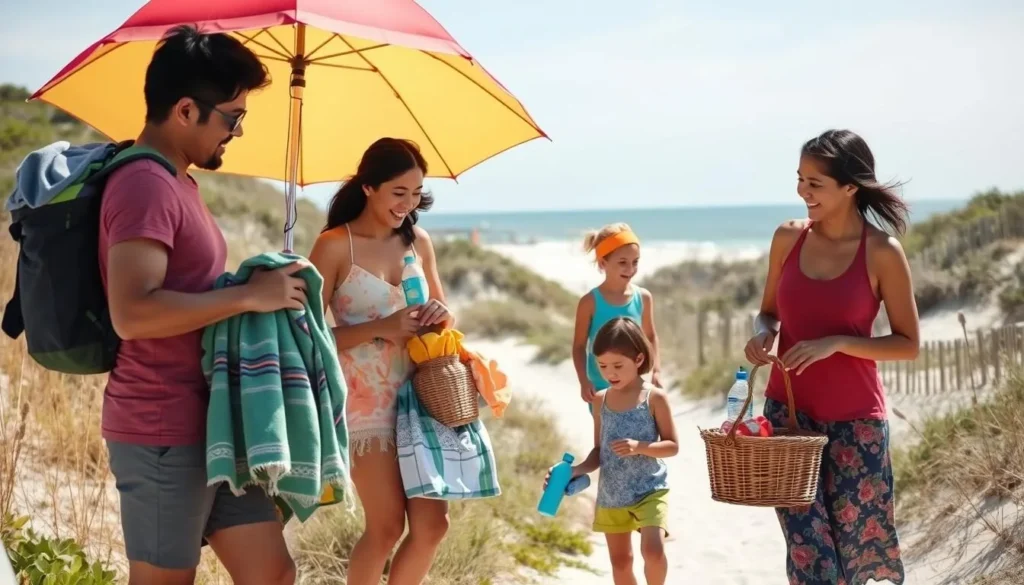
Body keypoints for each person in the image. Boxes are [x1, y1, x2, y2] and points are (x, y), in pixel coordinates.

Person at [100, 25, 304, 585]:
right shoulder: (144, 183)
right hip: (161, 425)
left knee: (272, 573)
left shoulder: (178, 182)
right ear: (186, 110)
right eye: (233, 118)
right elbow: (133, 313)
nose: (237, 132)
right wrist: (247, 296)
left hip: (212, 422)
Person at [744, 129, 919, 585]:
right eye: (800, 179)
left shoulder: (881, 252)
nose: (803, 191)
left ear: (850, 186)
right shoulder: (788, 238)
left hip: (856, 422)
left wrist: (837, 343)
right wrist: (762, 336)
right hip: (788, 417)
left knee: (858, 553)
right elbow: (768, 313)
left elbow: (907, 342)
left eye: (815, 183)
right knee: (809, 555)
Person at [307, 137, 453, 585]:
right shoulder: (334, 246)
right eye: (398, 193)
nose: (408, 205)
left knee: (433, 526)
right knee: (387, 527)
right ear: (368, 187)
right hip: (363, 405)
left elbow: (443, 312)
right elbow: (307, 339)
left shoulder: (417, 240)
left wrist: (440, 316)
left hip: (420, 400)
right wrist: (381, 328)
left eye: (416, 194)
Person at [551, 317, 677, 585]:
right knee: (621, 564)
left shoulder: (655, 398)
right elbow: (599, 450)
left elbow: (672, 446)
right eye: (602, 366)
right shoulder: (600, 400)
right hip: (612, 493)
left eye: (618, 365)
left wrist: (639, 447)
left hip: (650, 489)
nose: (611, 373)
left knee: (653, 552)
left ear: (639, 359)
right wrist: (575, 470)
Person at [572, 223, 663, 411]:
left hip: (635, 388)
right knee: (608, 439)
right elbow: (579, 346)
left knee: (636, 438)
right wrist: (584, 380)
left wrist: (657, 371)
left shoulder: (643, 298)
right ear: (603, 263)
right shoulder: (589, 302)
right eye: (622, 262)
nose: (630, 269)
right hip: (600, 389)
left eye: (635, 261)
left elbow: (651, 337)